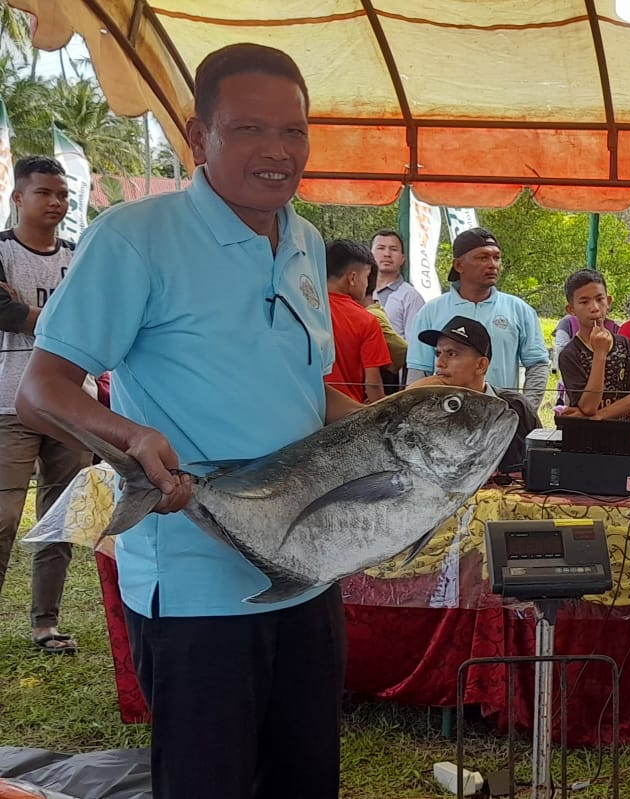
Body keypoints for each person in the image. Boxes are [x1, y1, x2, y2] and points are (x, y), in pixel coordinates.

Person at [16, 44, 356, 799]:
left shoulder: (302, 239)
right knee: (209, 780)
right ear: (198, 138)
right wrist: (132, 439)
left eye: (294, 132)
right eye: (248, 130)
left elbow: (306, 386)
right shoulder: (135, 236)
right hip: (198, 569)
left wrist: (395, 434)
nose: (277, 152)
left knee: (306, 776)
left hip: (306, 563)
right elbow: (41, 390)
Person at [0, 155, 91, 654]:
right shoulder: (0, 250)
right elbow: (1, 312)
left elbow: (97, 317)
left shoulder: (79, 256)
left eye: (63, 195)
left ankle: (45, 624)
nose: (56, 203)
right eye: (45, 193)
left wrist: (28, 311)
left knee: (60, 520)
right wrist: (59, 314)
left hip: (71, 407)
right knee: (3, 519)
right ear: (18, 197)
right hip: (7, 404)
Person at [405, 227, 549, 410]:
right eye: (483, 258)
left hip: (499, 420)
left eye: (497, 258)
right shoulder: (430, 311)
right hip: (446, 421)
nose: (492, 265)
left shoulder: (519, 309)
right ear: (458, 265)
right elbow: (419, 372)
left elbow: (537, 364)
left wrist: (524, 410)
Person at [409, 316, 539, 474]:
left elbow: (542, 463)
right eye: (438, 353)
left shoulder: (516, 408)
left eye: (451, 354)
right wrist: (411, 396)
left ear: (481, 365)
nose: (439, 363)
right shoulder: (427, 410)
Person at [558, 269, 630, 420]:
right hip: (584, 436)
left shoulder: (625, 345)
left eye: (600, 299)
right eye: (584, 302)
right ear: (571, 309)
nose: (594, 308)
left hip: (621, 434)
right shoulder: (570, 354)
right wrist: (600, 354)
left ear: (609, 301)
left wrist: (599, 416)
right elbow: (588, 406)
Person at [324, 239, 390, 403]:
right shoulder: (366, 320)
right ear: (352, 278)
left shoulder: (303, 309)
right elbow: (373, 384)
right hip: (347, 414)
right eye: (367, 277)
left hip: (304, 410)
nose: (367, 284)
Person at [370, 228, 424, 341]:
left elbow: (414, 343)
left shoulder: (410, 296)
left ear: (402, 258)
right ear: (370, 254)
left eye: (393, 249)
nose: (387, 254)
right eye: (381, 248)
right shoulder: (360, 292)